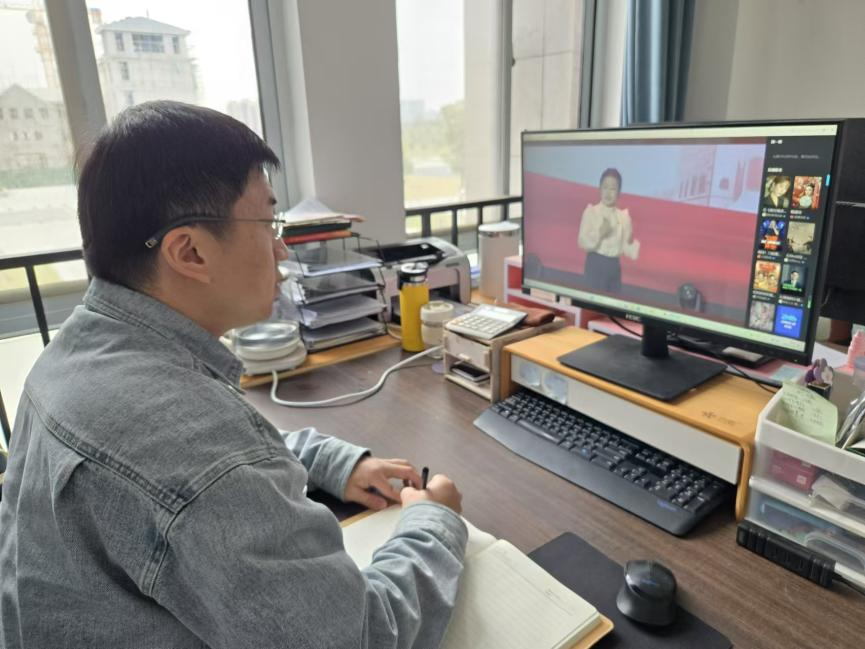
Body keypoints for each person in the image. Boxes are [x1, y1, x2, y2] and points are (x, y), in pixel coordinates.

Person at [0, 102, 467, 648]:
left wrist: (334, 462)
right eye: (268, 223)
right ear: (190, 251)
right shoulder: (193, 447)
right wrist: (434, 522)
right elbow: (361, 636)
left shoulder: (77, 352)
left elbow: (215, 460)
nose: (281, 248)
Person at [577, 168, 640, 293]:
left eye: (613, 189)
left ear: (619, 192)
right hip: (594, 265)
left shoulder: (623, 217)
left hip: (614, 268)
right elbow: (582, 242)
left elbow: (629, 251)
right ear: (599, 188)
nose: (608, 193)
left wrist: (630, 240)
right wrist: (600, 233)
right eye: (605, 187)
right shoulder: (591, 212)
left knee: (611, 303)